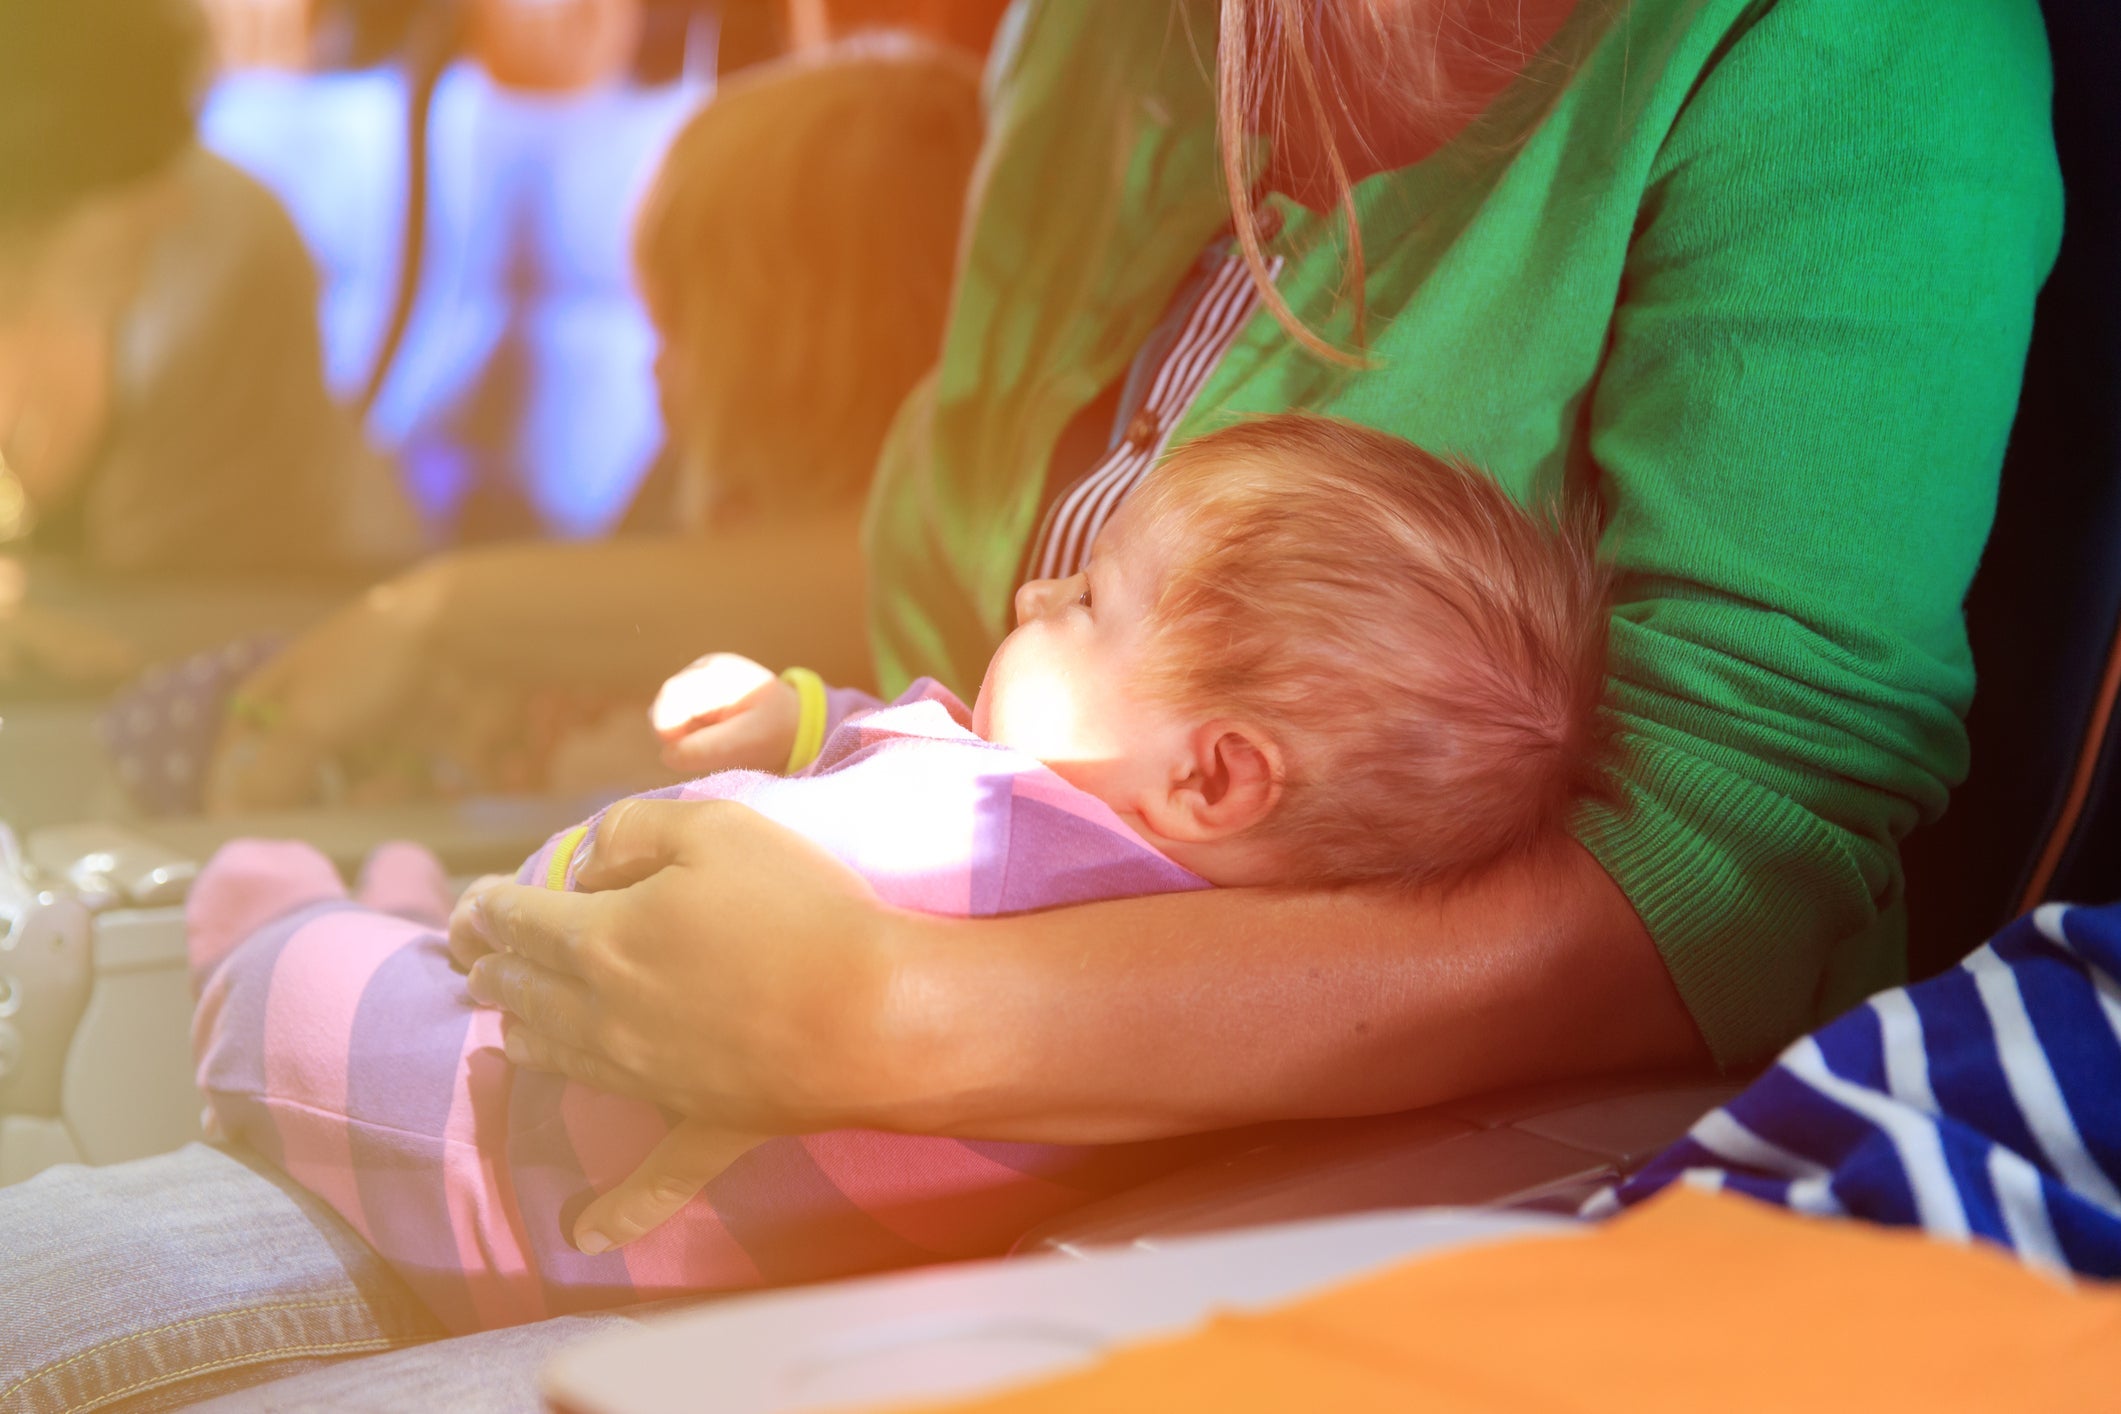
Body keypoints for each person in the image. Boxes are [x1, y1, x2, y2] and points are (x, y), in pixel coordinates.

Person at [0, 0, 2061, 1406]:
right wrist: (465, 612)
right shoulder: (1112, 41)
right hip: (857, 1005)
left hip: (1338, 1131)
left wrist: (909, 1019)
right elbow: (990, 593)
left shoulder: (1838, 54)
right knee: (57, 1272)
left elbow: (1727, 854)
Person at [185, 415, 1612, 1330]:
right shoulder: (1183, 927)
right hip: (696, 1255)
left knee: (295, 957)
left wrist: (563, 867)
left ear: (1215, 772)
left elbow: (647, 882)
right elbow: (927, 750)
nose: (1034, 596)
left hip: (489, 1169)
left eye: (1091, 600)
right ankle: (379, 898)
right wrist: (806, 718)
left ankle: (281, 912)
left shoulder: (972, 844)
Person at [202, 32, 986, 808]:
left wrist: (437, 616)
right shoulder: (708, 526)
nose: (652, 371)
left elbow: (863, 585)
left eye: (679, 334)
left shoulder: (922, 580)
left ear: (804, 361)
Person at [0, 0, 416, 588]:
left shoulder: (227, 259)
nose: (171, 205)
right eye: (130, 170)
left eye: (172, 150)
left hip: (298, 614)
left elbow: (213, 609)